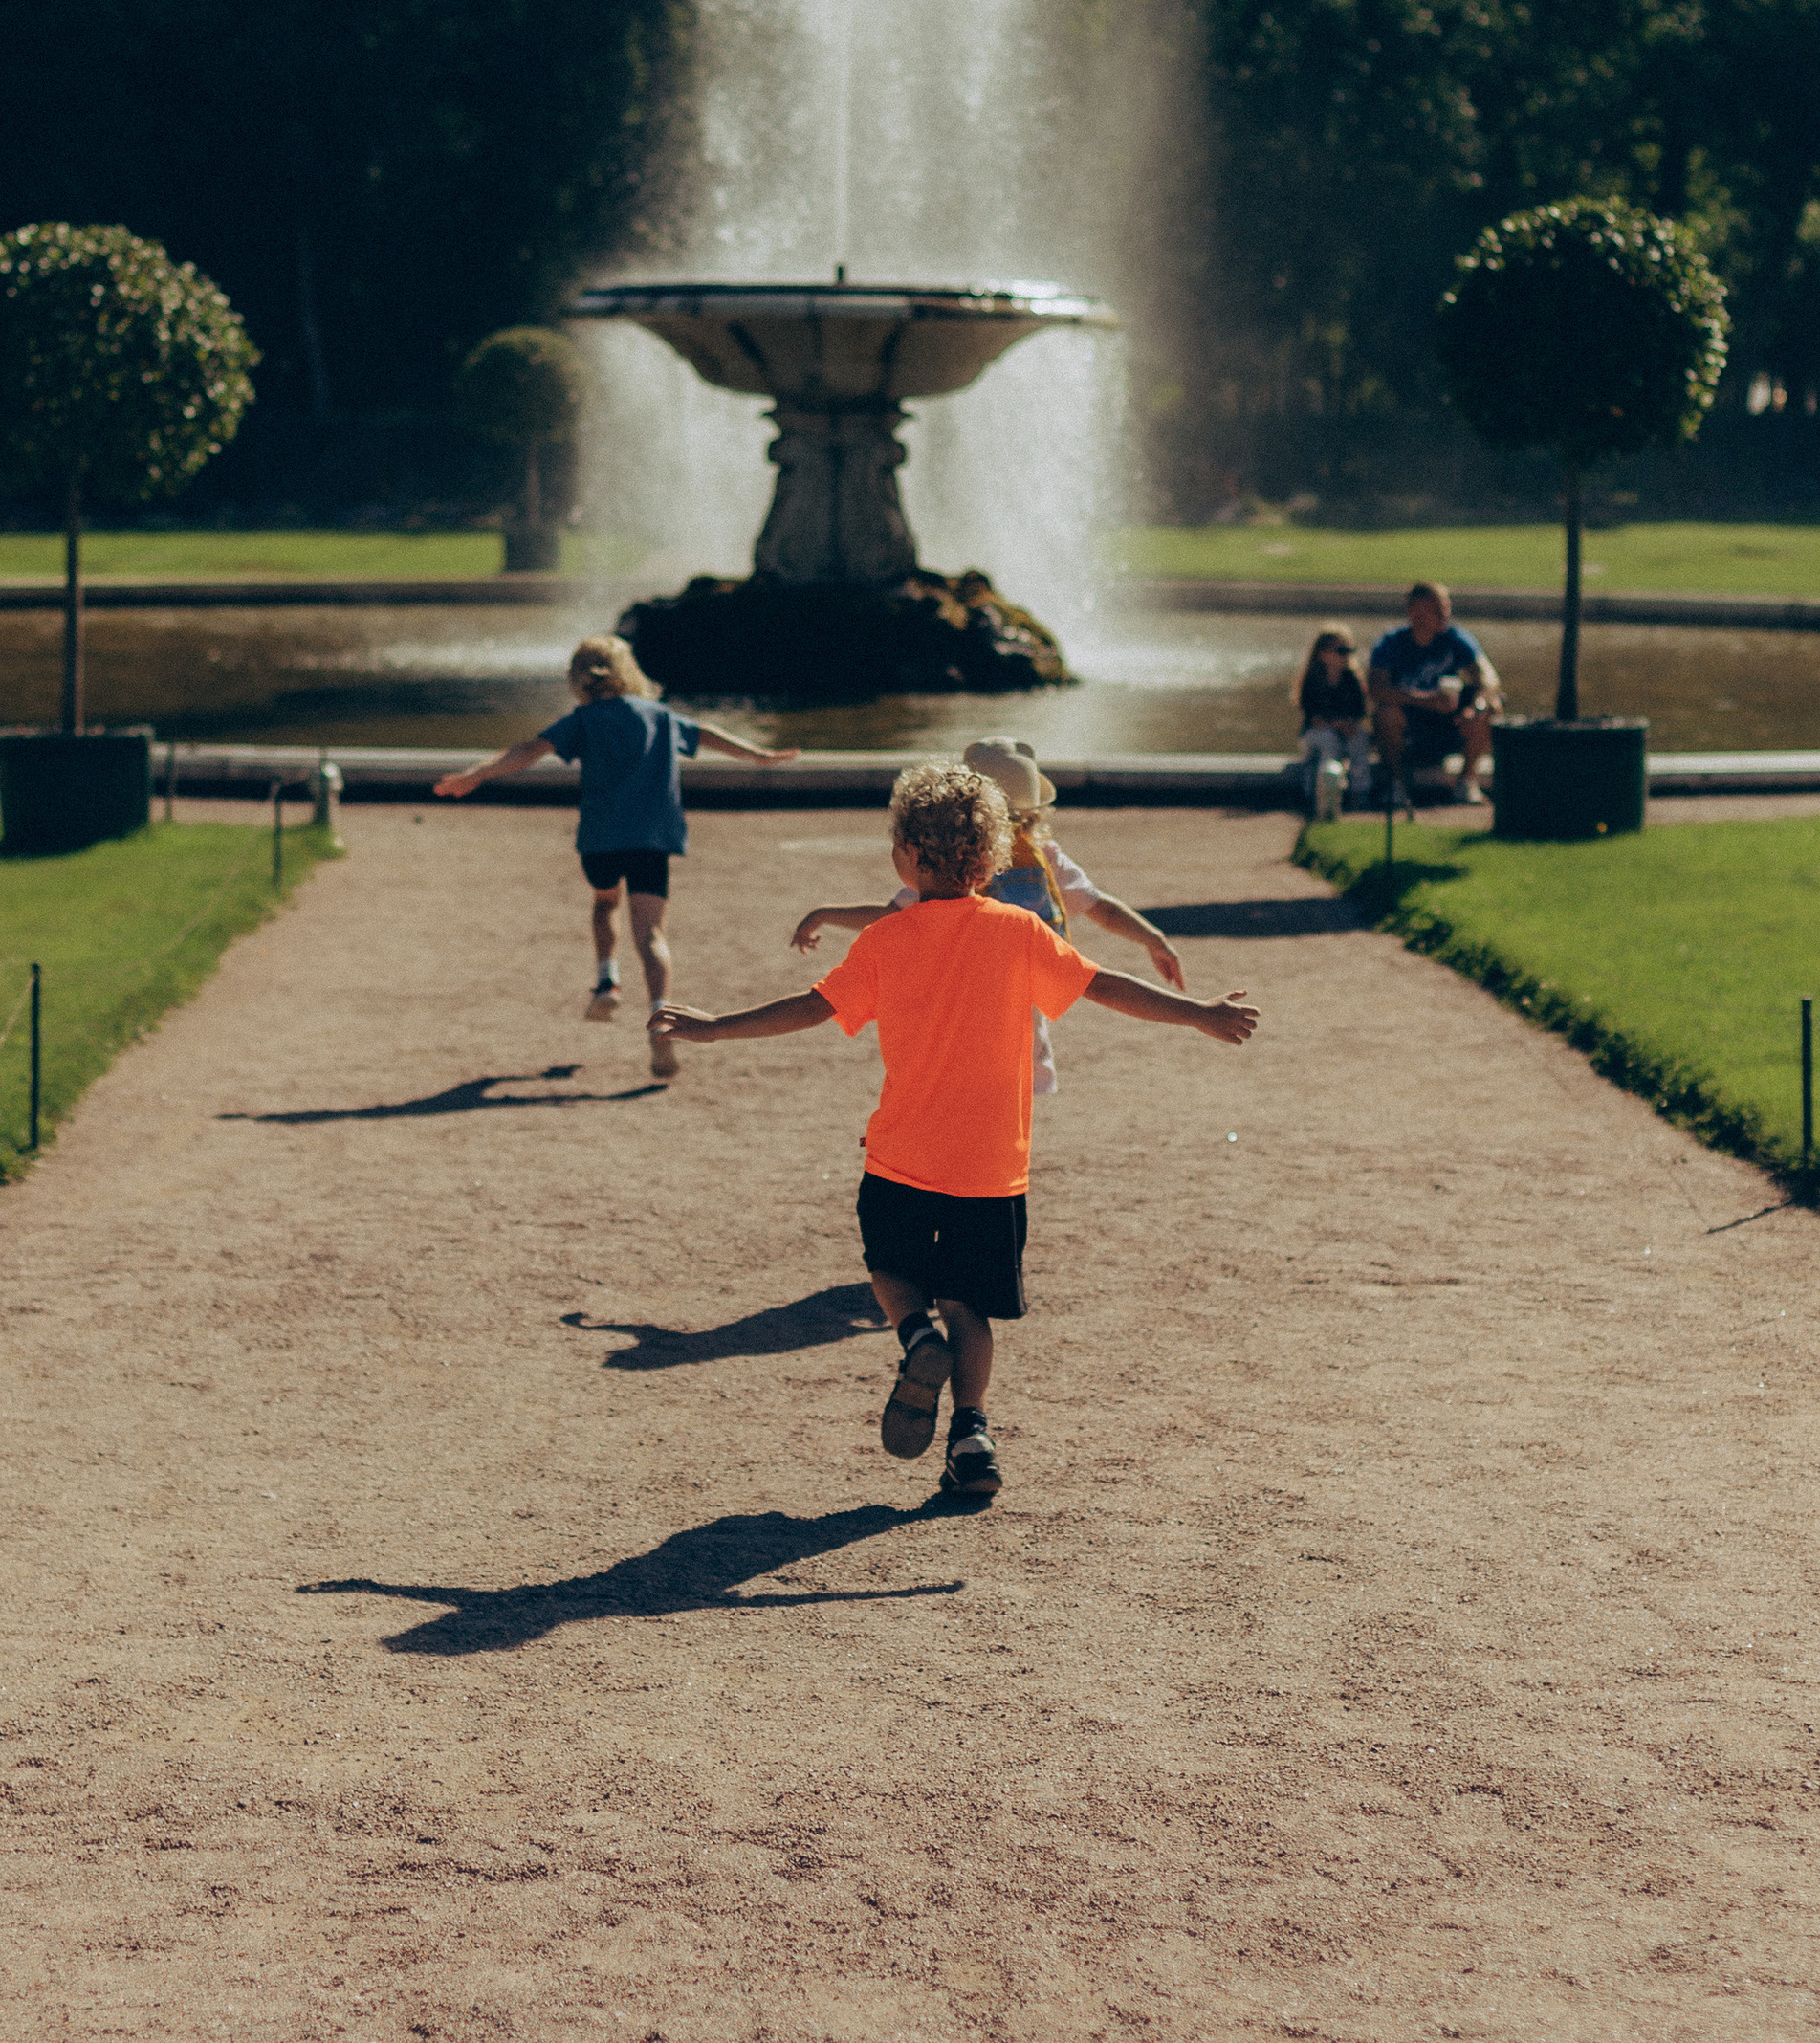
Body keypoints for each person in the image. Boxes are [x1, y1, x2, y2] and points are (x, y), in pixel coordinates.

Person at [654, 758, 1257, 1506]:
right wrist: (1199, 1012)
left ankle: (914, 1339)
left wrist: (716, 1029)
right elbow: (1103, 986)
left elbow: (810, 1007)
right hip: (991, 1168)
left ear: (907, 854)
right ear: (995, 854)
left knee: (889, 1266)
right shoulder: (1020, 932)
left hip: (903, 1155)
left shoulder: (887, 939)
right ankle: (971, 1438)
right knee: (971, 1306)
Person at [433, 634, 799, 1080]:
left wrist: (477, 774)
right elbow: (706, 735)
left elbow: (529, 750)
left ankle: (607, 979)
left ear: (578, 679)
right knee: (652, 933)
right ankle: (662, 1018)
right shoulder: (660, 716)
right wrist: (757, 755)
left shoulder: (584, 720)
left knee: (605, 902)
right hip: (652, 839)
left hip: (602, 838)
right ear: (629, 672)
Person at [786, 735, 1185, 1101]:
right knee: (1017, 1069)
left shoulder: (943, 857)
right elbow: (1102, 908)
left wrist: (827, 914)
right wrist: (1154, 939)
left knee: (952, 1060)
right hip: (1023, 979)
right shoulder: (1045, 855)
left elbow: (890, 915)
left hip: (958, 980)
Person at [1367, 582, 1502, 801]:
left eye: (1446, 607)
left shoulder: (1455, 638)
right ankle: (1396, 785)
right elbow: (1376, 688)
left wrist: (1475, 706)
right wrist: (1428, 700)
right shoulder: (1391, 643)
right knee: (1385, 713)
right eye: (1437, 609)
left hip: (1451, 722)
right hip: (1411, 724)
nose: (1445, 614)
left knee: (1489, 707)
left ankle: (1467, 782)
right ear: (1414, 614)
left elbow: (1489, 678)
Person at [1294, 624, 1371, 821]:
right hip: (1316, 734)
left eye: (1348, 650)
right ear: (1323, 654)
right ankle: (1320, 795)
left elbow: (1359, 712)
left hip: (1343, 730)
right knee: (1328, 740)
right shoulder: (1313, 681)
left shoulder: (1351, 680)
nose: (1345, 656)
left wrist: (1348, 725)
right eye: (1340, 651)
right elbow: (1315, 719)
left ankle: (1359, 791)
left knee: (1359, 738)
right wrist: (1338, 724)